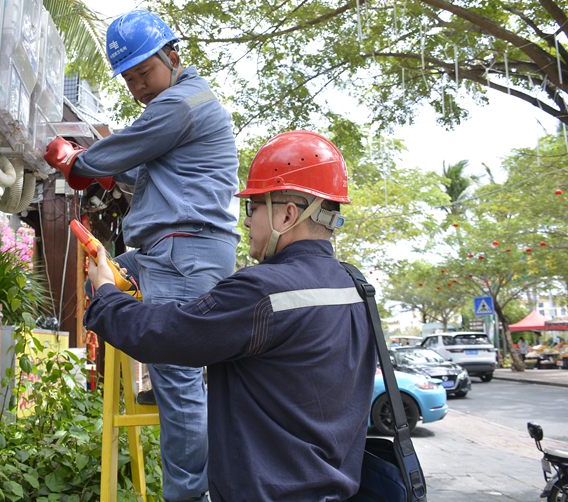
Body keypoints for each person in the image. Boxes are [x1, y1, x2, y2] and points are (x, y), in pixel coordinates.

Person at [84, 131, 376, 501]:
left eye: (252, 208)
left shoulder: (262, 291)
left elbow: (167, 334)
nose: (246, 223)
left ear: (287, 214)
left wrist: (106, 295)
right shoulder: (357, 288)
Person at [45, 10, 240, 501]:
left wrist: (73, 159)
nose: (138, 87)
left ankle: (189, 497)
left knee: (178, 385)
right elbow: (142, 177)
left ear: (172, 56)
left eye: (143, 73)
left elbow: (96, 163)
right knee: (107, 279)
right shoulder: (183, 105)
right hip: (172, 253)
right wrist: (106, 173)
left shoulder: (179, 105)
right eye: (129, 79)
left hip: (183, 253)